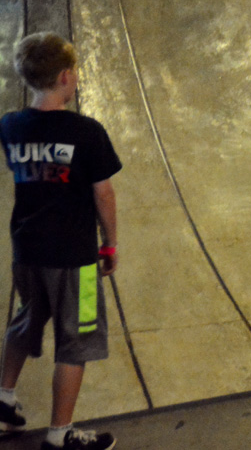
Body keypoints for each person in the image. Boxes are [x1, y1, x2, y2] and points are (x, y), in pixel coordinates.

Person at [0, 34, 118, 450]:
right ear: (66, 77)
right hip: (75, 258)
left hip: (27, 252)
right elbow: (103, 194)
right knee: (77, 339)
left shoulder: (10, 126)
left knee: (26, 318)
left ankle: (3, 397)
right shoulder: (86, 132)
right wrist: (110, 245)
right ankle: (59, 435)